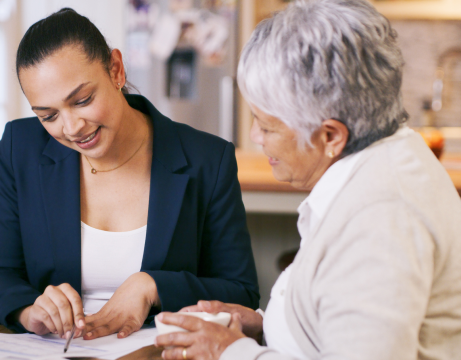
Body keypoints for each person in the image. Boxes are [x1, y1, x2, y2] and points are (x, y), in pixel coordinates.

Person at [154, 0, 461, 359]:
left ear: (331, 136)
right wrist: (261, 324)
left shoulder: (379, 220)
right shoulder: (389, 153)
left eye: (266, 125)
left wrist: (230, 352)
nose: (255, 136)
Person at [0, 8, 260, 341]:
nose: (72, 128)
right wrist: (29, 311)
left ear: (116, 70)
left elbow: (241, 293)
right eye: (48, 116)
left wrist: (152, 286)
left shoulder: (207, 159)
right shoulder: (18, 149)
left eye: (83, 100)